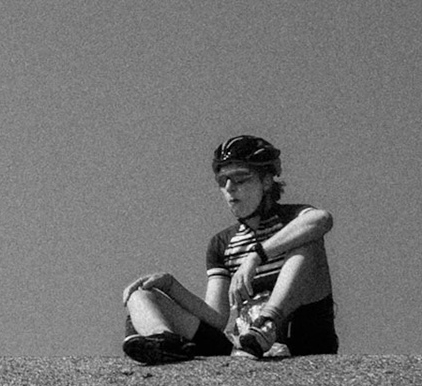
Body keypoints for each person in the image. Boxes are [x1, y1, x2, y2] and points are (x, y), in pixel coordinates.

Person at [120, 134, 337, 365]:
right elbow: (216, 318)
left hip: (302, 335)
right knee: (140, 296)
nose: (230, 188)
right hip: (246, 345)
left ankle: (268, 321)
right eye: (222, 181)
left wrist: (256, 255)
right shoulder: (222, 243)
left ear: (266, 181)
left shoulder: (292, 218)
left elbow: (321, 219)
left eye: (240, 179)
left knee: (307, 241)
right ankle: (163, 340)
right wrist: (172, 286)